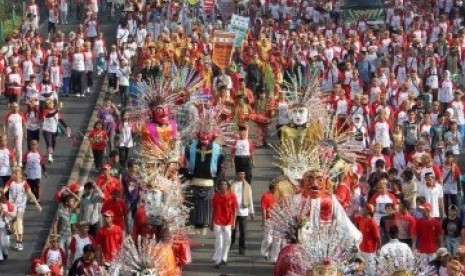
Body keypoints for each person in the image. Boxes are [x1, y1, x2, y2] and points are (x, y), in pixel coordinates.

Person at [3, 166, 42, 251]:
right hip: (12, 207)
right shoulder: (10, 182)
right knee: (13, 227)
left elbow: (30, 194)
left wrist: (37, 204)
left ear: (20, 174)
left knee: (19, 222)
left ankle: (20, 242)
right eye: (13, 173)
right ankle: (17, 240)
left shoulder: (25, 184)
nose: (13, 175)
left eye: (15, 173)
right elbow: (4, 191)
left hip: (20, 207)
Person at [211, 180, 237, 268]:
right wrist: (211, 222)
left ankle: (224, 257)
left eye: (225, 184)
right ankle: (218, 260)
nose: (223, 186)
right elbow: (213, 209)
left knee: (228, 240)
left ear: (227, 186)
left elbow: (234, 210)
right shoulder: (216, 196)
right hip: (217, 220)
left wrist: (234, 221)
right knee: (219, 241)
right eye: (221, 184)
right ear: (219, 186)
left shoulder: (232, 196)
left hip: (228, 221)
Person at [230, 171, 254, 255]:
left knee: (243, 231)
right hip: (233, 211)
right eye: (240, 174)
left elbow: (250, 198)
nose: (242, 175)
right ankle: (231, 242)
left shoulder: (247, 186)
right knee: (232, 229)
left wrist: (251, 211)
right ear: (237, 175)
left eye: (243, 174)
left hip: (244, 211)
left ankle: (242, 248)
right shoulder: (232, 184)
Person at [353, 203, 380, 276]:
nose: (361, 210)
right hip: (361, 249)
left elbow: (378, 237)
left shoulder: (372, 222)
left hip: (370, 251)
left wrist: (378, 249)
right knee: (361, 269)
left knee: (370, 270)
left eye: (363, 209)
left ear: (368, 211)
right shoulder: (361, 220)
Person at [260, 181, 278, 262]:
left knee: (275, 240)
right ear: (272, 188)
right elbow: (264, 209)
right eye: (275, 188)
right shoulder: (265, 196)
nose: (277, 189)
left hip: (277, 220)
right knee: (268, 239)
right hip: (269, 220)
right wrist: (264, 221)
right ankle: (264, 252)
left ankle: (273, 257)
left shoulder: (277, 196)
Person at [4, 102, 26, 167]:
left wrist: (25, 133)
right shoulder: (8, 115)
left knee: (18, 147)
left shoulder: (21, 114)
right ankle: (14, 161)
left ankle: (19, 161)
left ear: (18, 108)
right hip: (10, 134)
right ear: (11, 107)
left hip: (19, 133)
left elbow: (24, 124)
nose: (15, 108)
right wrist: (4, 132)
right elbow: (5, 124)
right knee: (11, 148)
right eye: (13, 106)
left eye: (16, 106)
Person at [0, 192, 16, 262]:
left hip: (5, 226)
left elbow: (13, 215)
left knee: (5, 244)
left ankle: (5, 253)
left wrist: (7, 213)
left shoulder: (7, 203)